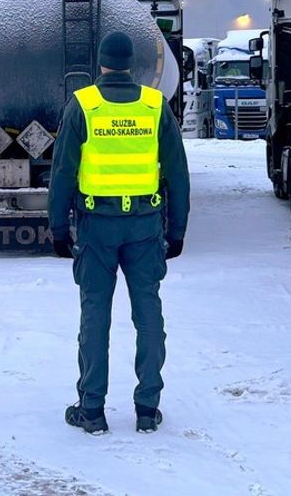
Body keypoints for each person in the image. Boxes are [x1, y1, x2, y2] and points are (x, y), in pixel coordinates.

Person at [48, 31, 190, 434]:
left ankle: (91, 409)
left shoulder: (83, 105)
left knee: (95, 315)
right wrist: (177, 230)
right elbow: (177, 173)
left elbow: (63, 173)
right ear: (131, 64)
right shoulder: (154, 106)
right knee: (148, 314)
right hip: (145, 226)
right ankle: (147, 407)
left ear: (101, 62)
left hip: (96, 227)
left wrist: (59, 228)